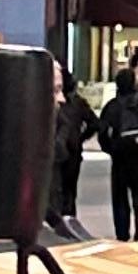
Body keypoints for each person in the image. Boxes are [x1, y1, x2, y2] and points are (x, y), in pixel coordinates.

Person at [97, 58, 138, 247]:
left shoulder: (112, 106)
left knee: (120, 195)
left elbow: (102, 132)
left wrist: (111, 149)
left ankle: (122, 232)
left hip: (120, 155)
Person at [50, 70, 100, 239]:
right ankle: (69, 222)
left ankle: (61, 223)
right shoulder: (77, 102)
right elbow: (94, 123)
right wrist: (80, 138)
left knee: (58, 189)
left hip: (61, 152)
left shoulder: (59, 104)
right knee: (69, 191)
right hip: (72, 152)